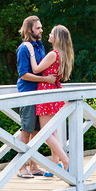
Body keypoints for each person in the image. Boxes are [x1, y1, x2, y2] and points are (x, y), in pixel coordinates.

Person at [28, 24, 74, 171]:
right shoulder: (62, 54)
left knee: (45, 132)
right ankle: (55, 163)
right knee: (53, 131)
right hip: (54, 92)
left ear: (57, 38)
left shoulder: (53, 54)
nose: (49, 35)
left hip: (46, 93)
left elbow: (35, 69)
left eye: (52, 33)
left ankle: (65, 160)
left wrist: (31, 52)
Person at [16, 15, 57, 178]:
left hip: (40, 93)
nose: (41, 30)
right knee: (26, 130)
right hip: (28, 93)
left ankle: (33, 165)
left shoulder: (39, 46)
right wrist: (45, 80)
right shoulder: (24, 48)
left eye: (41, 27)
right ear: (29, 29)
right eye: (38, 28)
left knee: (36, 131)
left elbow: (41, 68)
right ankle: (21, 168)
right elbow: (24, 74)